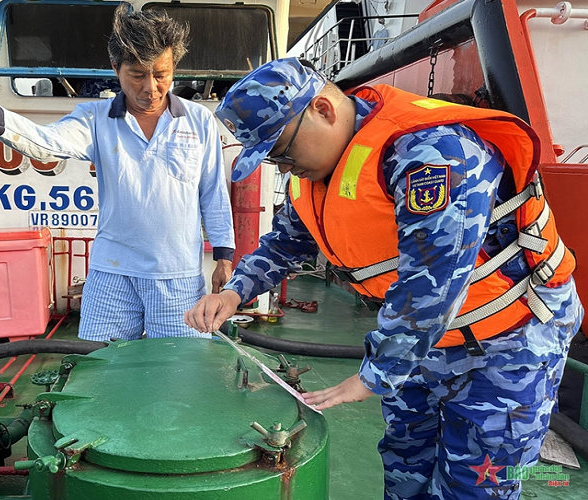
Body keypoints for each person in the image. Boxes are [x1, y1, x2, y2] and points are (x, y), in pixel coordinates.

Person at [185, 58, 583, 499]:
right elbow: (285, 242)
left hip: (507, 343)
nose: (281, 167)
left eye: (281, 151)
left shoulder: (433, 155)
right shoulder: (317, 174)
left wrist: (377, 373)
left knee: (477, 485)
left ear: (323, 109)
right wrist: (235, 292)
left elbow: (436, 277)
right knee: (405, 463)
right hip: (424, 343)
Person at [0, 5, 235, 342]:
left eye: (162, 73)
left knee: (184, 370)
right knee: (101, 367)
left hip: (178, 275)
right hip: (112, 273)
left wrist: (224, 256)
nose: (151, 86)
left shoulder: (199, 120)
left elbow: (213, 193)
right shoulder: (94, 118)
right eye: (137, 74)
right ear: (115, 69)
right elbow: (45, 144)